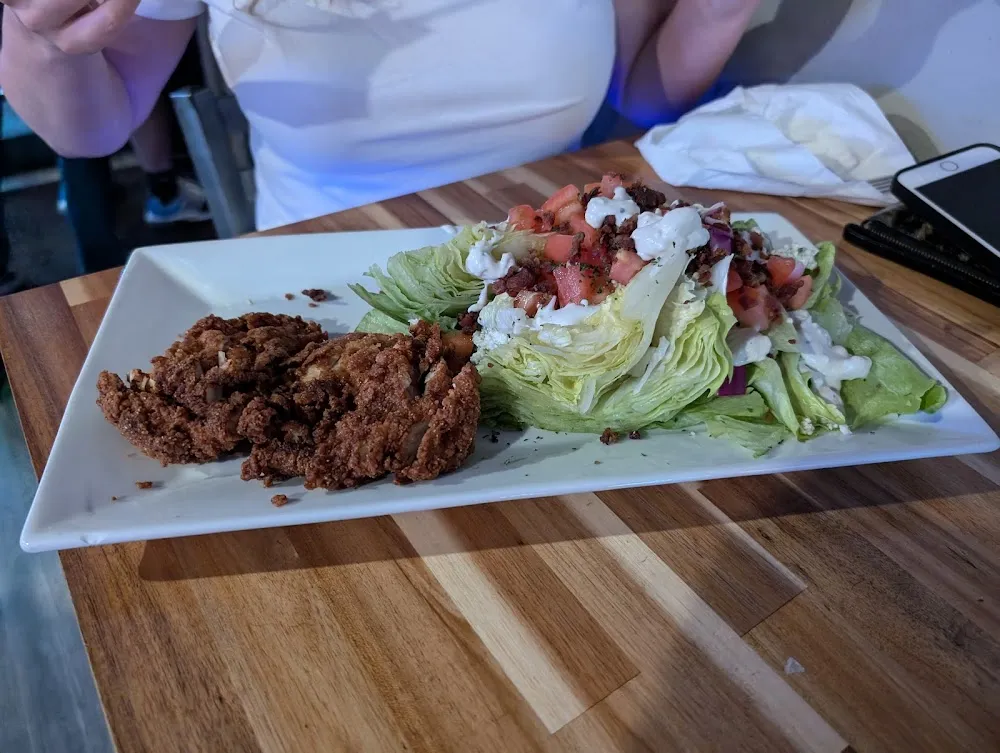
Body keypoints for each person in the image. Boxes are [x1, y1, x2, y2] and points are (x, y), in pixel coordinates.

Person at [0, 0, 761, 233]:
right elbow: (92, 129)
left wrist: (719, 11)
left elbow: (641, 91)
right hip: (323, 282)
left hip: (563, 261)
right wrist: (38, 33)